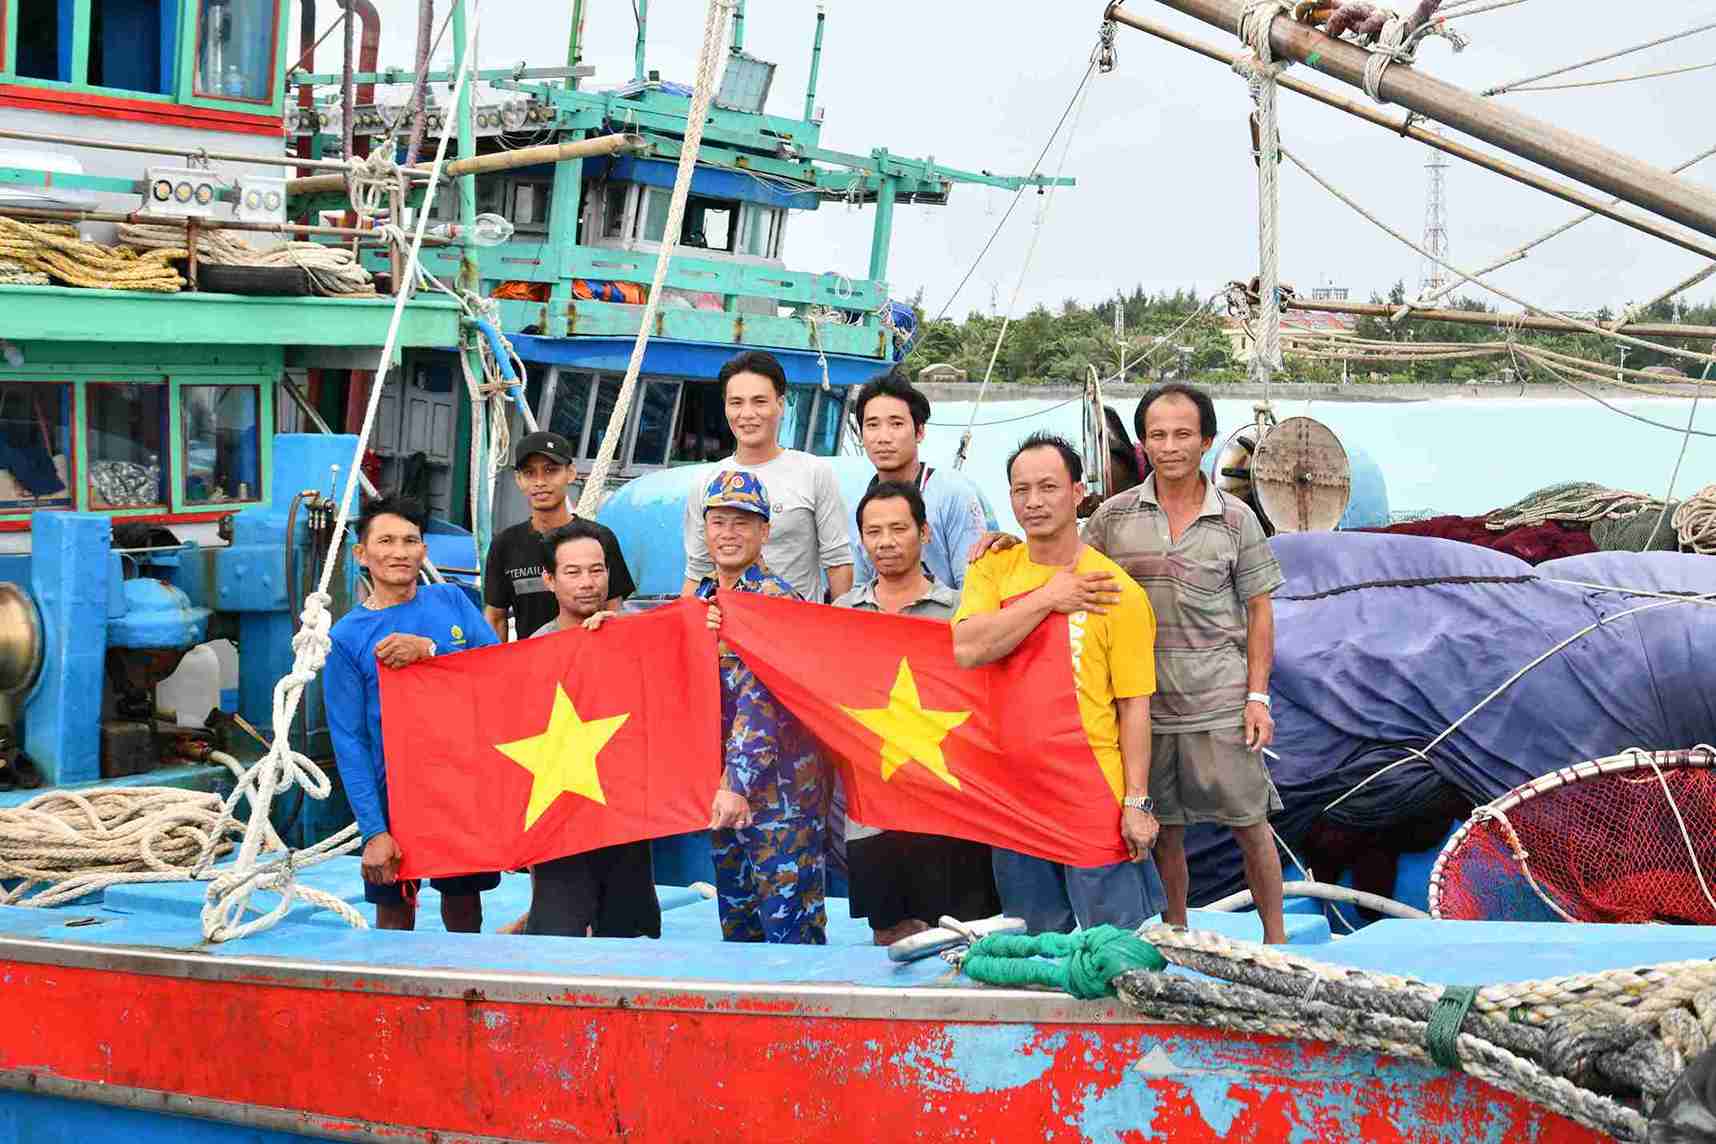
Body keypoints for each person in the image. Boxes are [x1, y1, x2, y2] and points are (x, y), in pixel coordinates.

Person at [1086, 383, 1288, 943]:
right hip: (1142, 708)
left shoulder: (1236, 519)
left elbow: (1259, 610)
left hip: (1220, 701)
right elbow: (1065, 569)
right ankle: (1176, 932)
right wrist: (1002, 545)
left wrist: (1257, 696)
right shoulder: (1111, 519)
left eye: (1182, 434)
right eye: (1156, 435)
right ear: (1142, 444)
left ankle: (1276, 941)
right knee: (1165, 831)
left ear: (1206, 440)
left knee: (1251, 824)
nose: (1169, 445)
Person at [951, 433, 1165, 934]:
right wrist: (1049, 597)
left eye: (1048, 487)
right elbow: (967, 648)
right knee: (1034, 942)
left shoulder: (1116, 590)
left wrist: (1136, 801)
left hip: (1091, 790)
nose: (1034, 501)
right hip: (1015, 794)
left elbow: (1135, 707)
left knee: (1115, 943)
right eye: (1021, 490)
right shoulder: (993, 567)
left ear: (1077, 491)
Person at [834, 481, 1001, 944]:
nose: (886, 542)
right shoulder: (840, 616)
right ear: (862, 540)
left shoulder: (961, 613)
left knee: (964, 938)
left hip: (953, 806)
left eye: (898, 528)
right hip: (875, 809)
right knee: (890, 937)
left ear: (924, 532)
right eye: (874, 532)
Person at [325, 494, 501, 932]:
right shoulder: (346, 637)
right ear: (361, 554)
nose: (399, 552)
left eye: (410, 541)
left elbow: (499, 669)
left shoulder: (453, 602)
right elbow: (349, 740)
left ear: (424, 550)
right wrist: (373, 829)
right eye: (385, 541)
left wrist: (432, 652)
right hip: (393, 792)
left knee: (464, 906)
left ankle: (467, 993)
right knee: (394, 908)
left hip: (458, 782)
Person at [696, 469, 833, 943]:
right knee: (739, 932)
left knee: (790, 933)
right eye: (719, 522)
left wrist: (736, 783)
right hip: (720, 793)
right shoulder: (699, 601)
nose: (728, 534)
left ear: (764, 532)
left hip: (780, 797)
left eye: (742, 522)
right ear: (705, 528)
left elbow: (764, 702)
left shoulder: (777, 603)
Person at [522, 520, 662, 939]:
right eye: (573, 572)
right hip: (561, 821)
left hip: (628, 819)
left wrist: (625, 638)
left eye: (596, 570)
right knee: (553, 941)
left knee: (628, 943)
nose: (588, 582)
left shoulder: (643, 635)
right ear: (549, 580)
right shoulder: (533, 652)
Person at [681, 350, 853, 603]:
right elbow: (697, 573)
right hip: (724, 630)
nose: (747, 414)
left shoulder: (814, 473)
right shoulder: (706, 481)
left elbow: (838, 563)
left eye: (759, 401)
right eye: (736, 402)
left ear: (780, 405)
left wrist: (842, 634)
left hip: (792, 629)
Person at [484, 430, 635, 641]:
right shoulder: (505, 544)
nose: (540, 482)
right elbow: (496, 618)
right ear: (518, 480)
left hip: (591, 658)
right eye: (529, 473)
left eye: (550, 470)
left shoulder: (599, 539)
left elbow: (614, 610)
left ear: (571, 473)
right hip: (534, 663)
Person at [849, 370, 989, 589]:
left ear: (920, 431)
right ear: (861, 434)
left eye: (896, 424)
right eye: (872, 425)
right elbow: (860, 589)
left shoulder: (953, 495)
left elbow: (974, 588)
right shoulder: (859, 504)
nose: (883, 438)